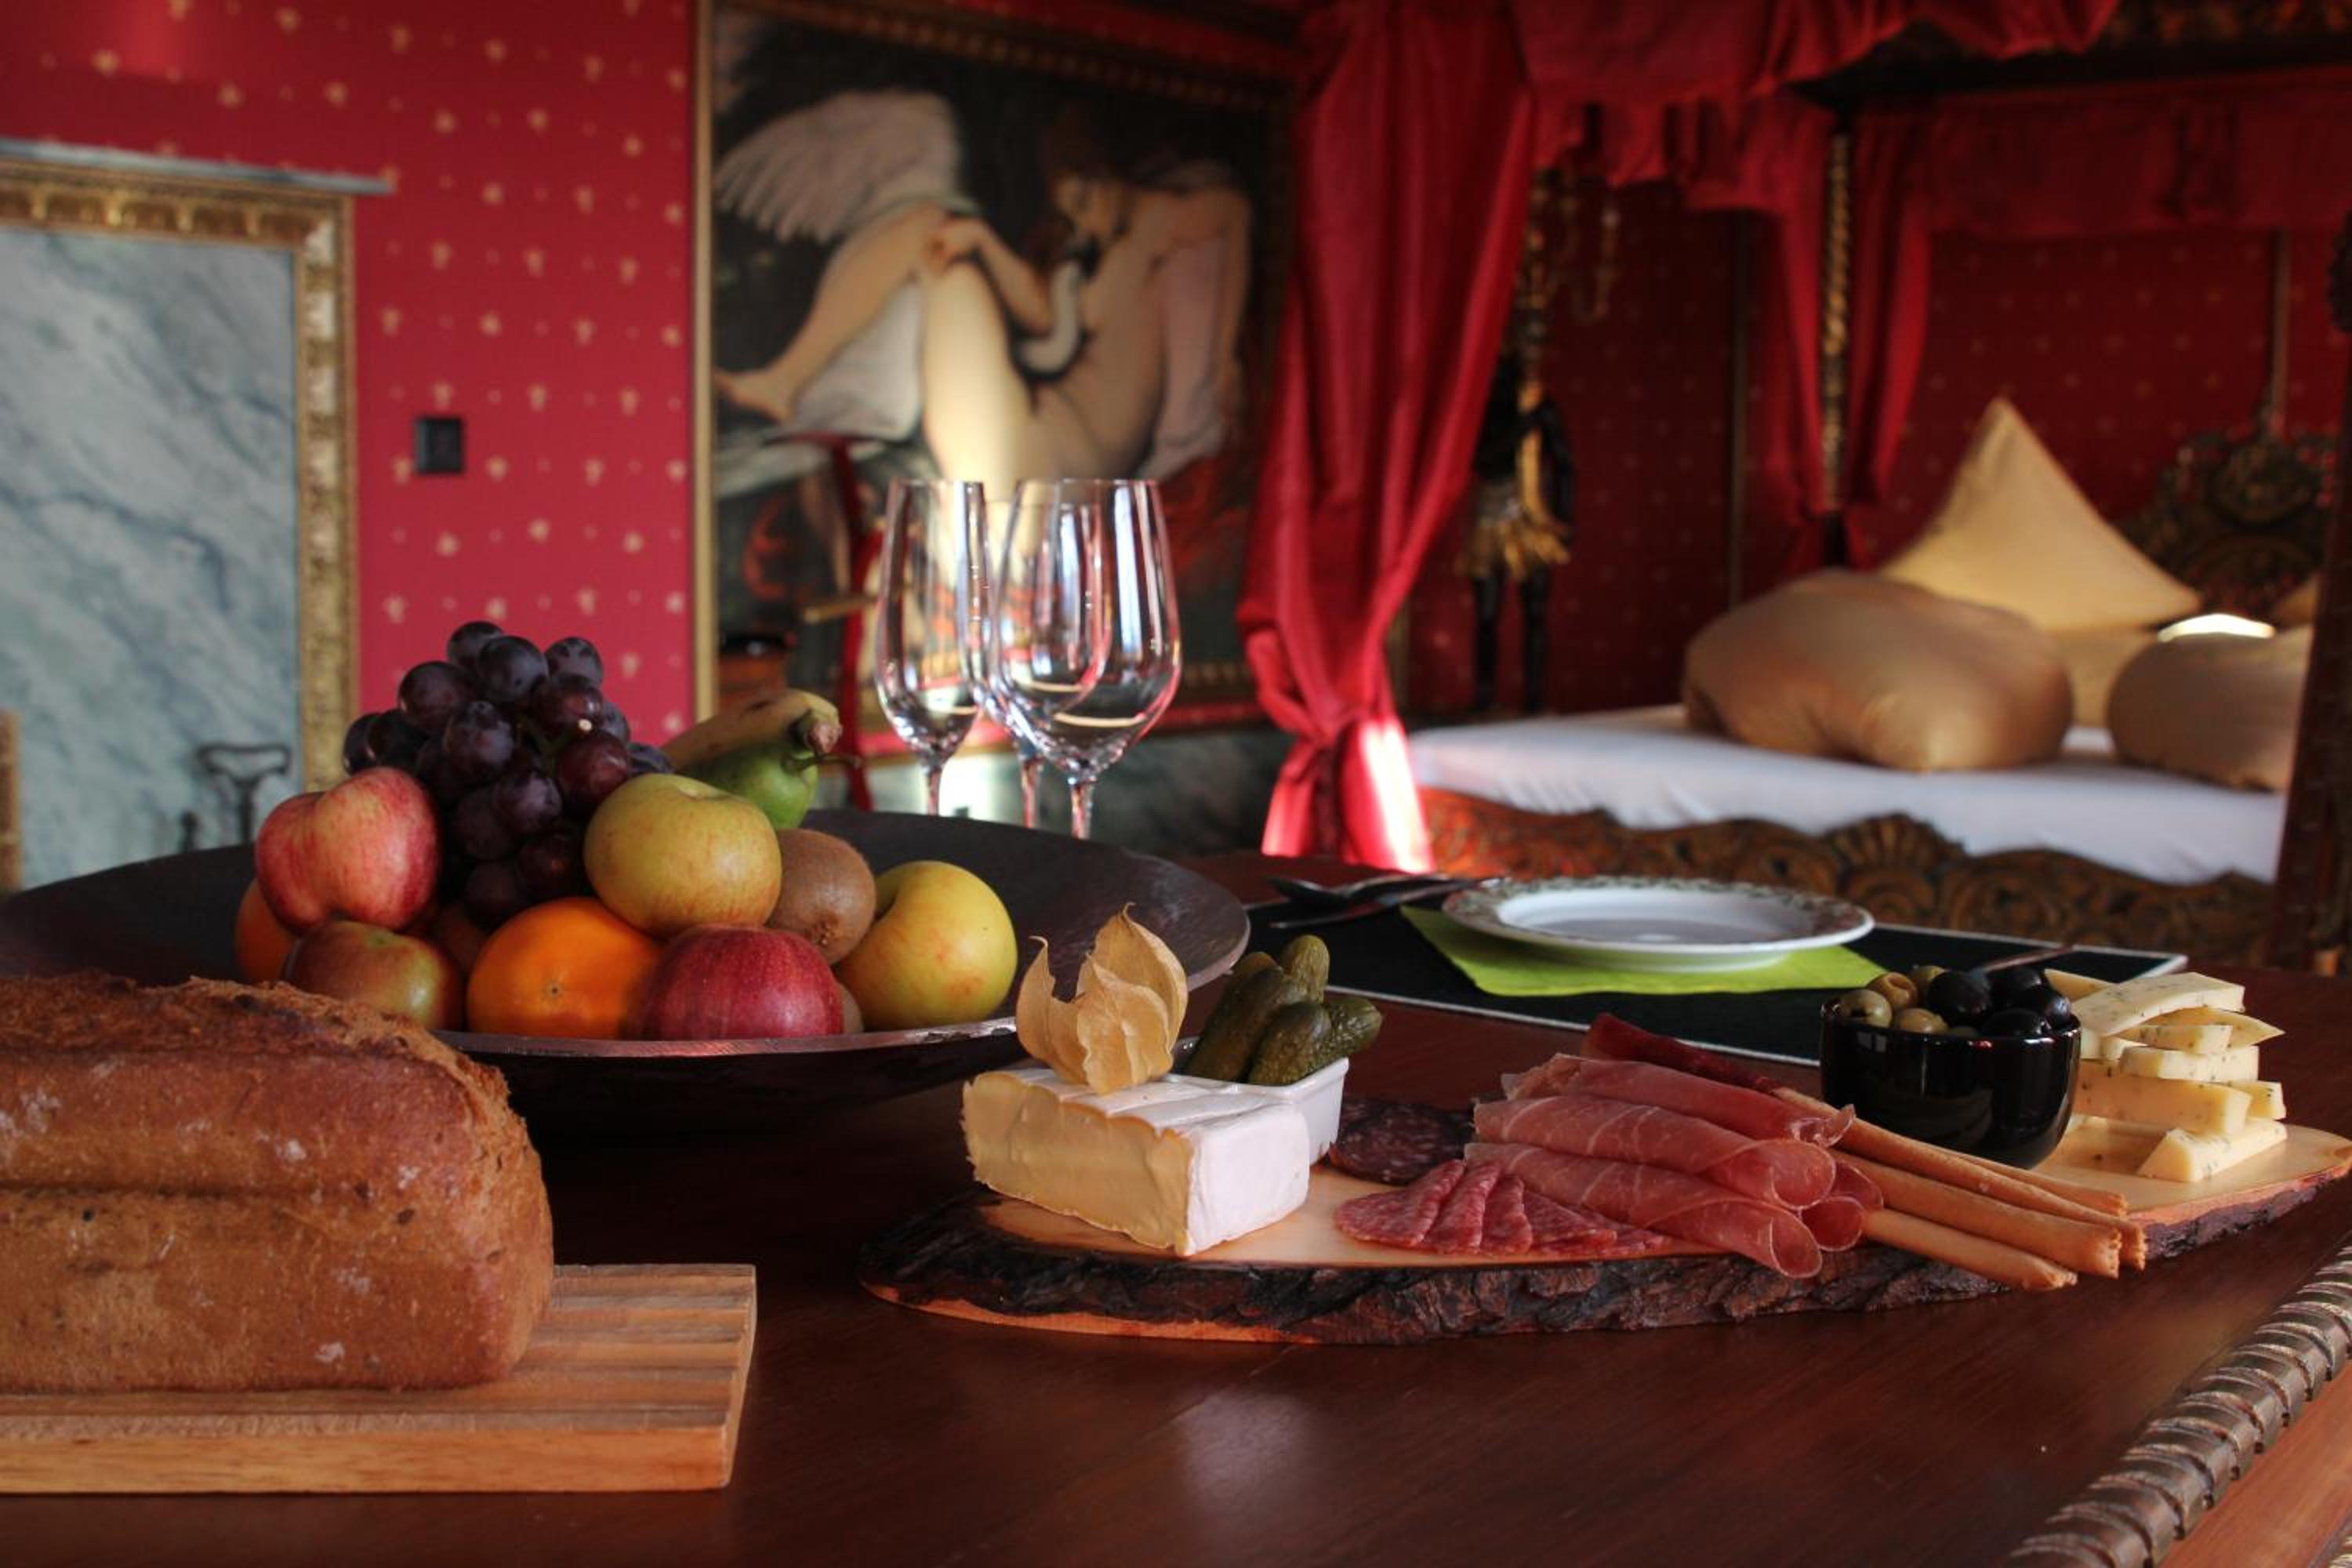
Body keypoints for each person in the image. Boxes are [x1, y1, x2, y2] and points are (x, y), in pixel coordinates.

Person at [713, 94, 1251, 494]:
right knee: (932, 229)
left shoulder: (1160, 223)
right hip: (1034, 438)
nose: (1083, 224)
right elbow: (1039, 313)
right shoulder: (1091, 255)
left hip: (1056, 454)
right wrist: (982, 240)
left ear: (1106, 172)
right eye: (1068, 212)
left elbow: (1236, 212)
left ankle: (786, 381)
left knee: (931, 229)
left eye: (1085, 200)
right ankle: (787, 381)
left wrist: (1225, 356)